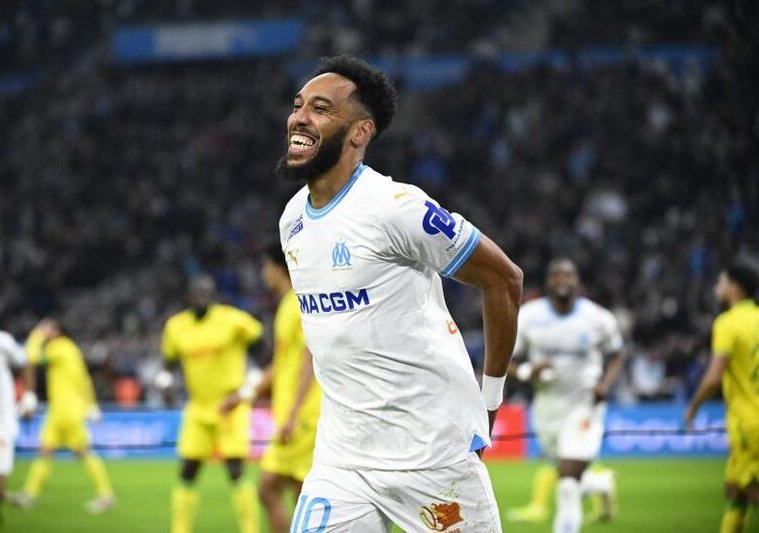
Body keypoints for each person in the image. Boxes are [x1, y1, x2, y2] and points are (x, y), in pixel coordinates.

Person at [276, 55, 523, 532]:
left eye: (321, 109)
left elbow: (504, 280)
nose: (299, 117)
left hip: (431, 455)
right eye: (298, 105)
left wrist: (490, 401)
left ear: (360, 132)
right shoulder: (293, 220)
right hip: (342, 460)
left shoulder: (395, 208)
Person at [506, 259, 625, 532]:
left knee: (568, 485)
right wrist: (527, 371)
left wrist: (605, 385)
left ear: (577, 281)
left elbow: (617, 354)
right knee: (565, 474)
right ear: (547, 282)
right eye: (556, 275)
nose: (562, 280)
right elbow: (504, 358)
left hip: (585, 405)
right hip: (547, 408)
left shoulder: (598, 318)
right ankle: (600, 482)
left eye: (568, 275)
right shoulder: (529, 316)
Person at [222, 243, 321, 533]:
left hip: (303, 416)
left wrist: (294, 413)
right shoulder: (287, 305)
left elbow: (310, 358)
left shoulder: (298, 303)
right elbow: (281, 364)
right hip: (293, 414)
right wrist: (244, 395)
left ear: (279, 267)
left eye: (265, 266)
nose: (263, 272)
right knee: (279, 490)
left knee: (289, 491)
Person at [161, 275, 264, 533]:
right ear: (188, 297)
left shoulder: (233, 321)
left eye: (205, 293)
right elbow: (169, 363)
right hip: (198, 406)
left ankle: (250, 530)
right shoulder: (176, 326)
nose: (200, 298)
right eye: (196, 293)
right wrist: (165, 382)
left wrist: (247, 390)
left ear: (213, 296)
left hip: (230, 406)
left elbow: (264, 354)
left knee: (235, 470)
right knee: (188, 470)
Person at [6, 318, 115, 513]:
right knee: (46, 452)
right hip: (62, 411)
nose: (44, 331)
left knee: (82, 452)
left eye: (47, 328)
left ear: (57, 332)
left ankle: (106, 495)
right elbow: (84, 380)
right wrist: (91, 405)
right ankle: (29, 495)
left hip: (66, 411)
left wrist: (36, 335)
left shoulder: (59, 347)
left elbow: (30, 357)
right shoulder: (71, 349)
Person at [685, 263, 759, 533]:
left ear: (735, 288)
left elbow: (713, 379)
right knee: (734, 493)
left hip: (748, 422)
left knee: (753, 493)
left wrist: (692, 408)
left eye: (721, 282)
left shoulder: (728, 323)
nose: (717, 287)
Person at [0, 329, 37, 518]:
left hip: (3, 416)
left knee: (2, 464)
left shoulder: (3, 340)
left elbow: (25, 361)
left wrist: (29, 397)